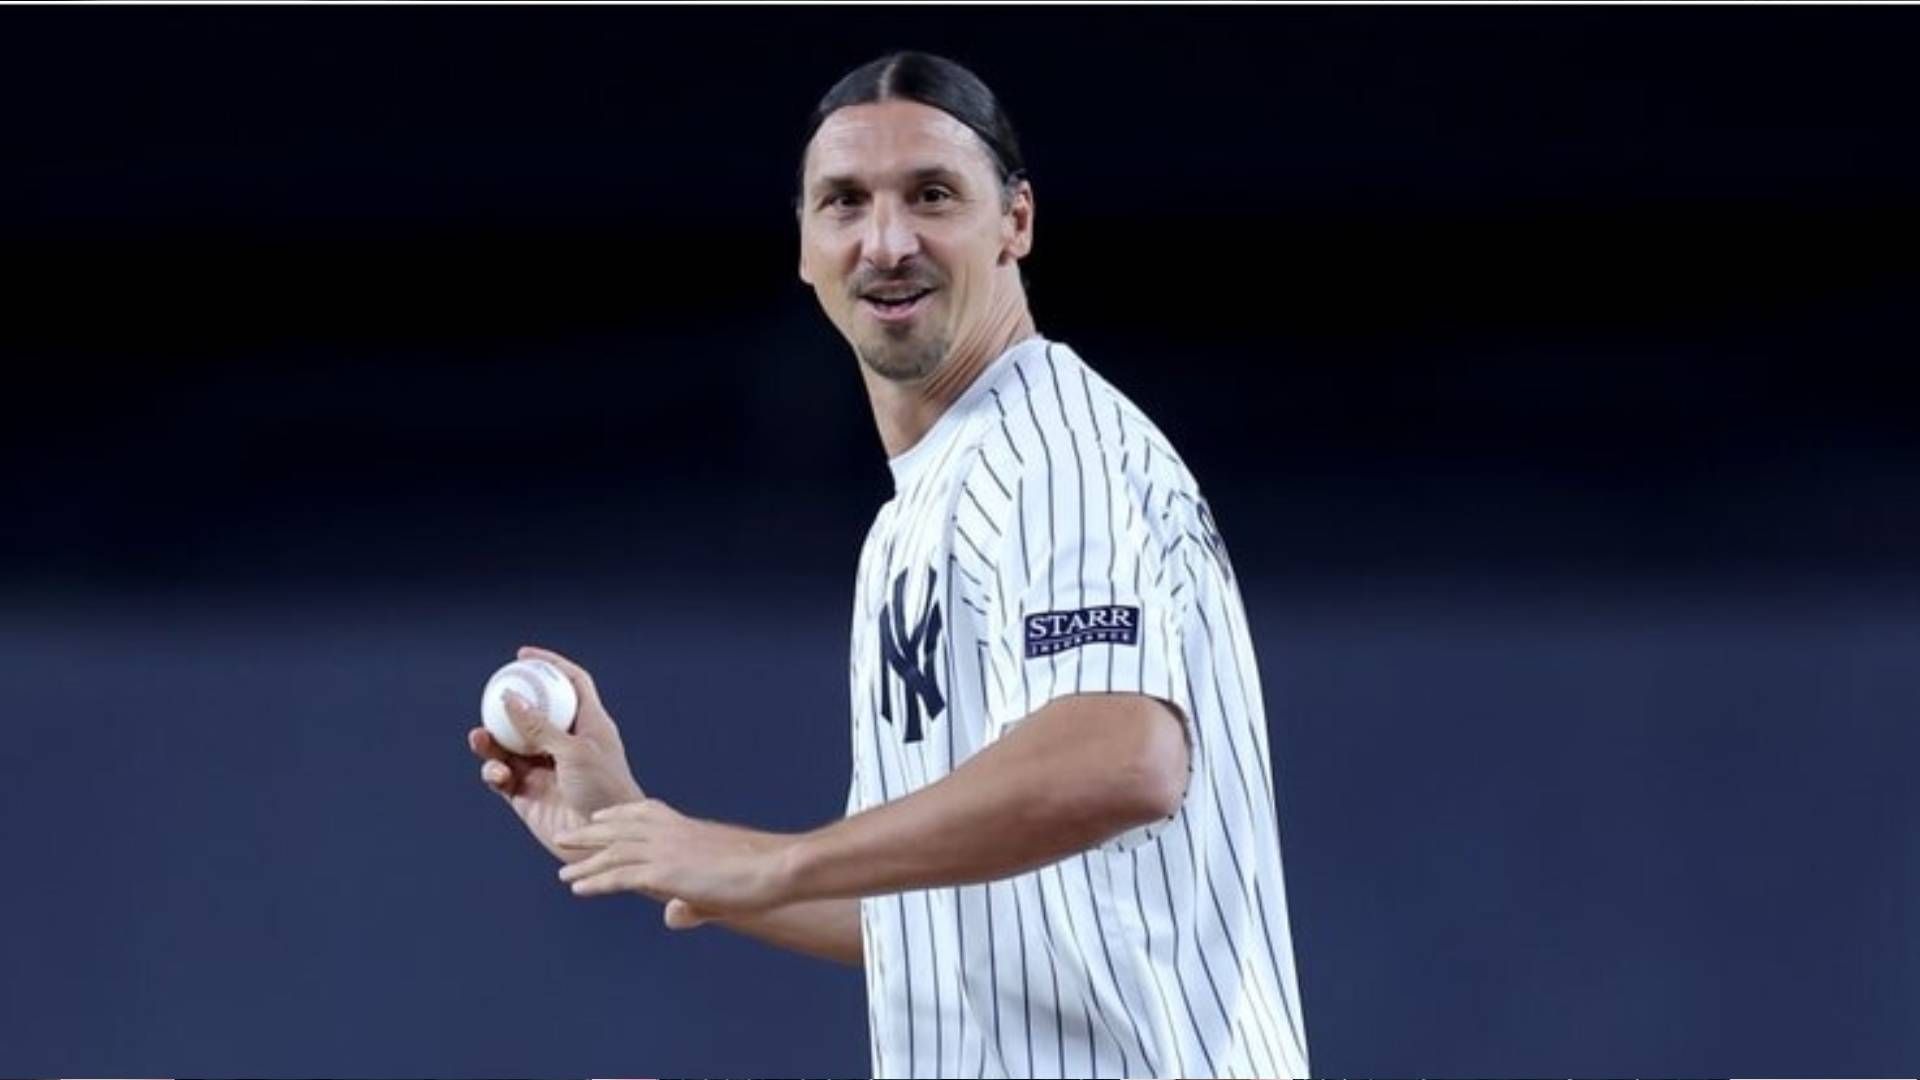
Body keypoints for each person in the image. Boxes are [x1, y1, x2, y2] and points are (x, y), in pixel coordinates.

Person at [466, 50, 1309, 1080]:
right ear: (804, 245)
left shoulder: (1050, 447)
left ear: (1016, 222)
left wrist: (777, 861)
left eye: (932, 195)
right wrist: (646, 837)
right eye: (846, 203)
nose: (888, 241)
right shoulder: (920, 512)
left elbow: (1122, 757)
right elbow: (937, 921)